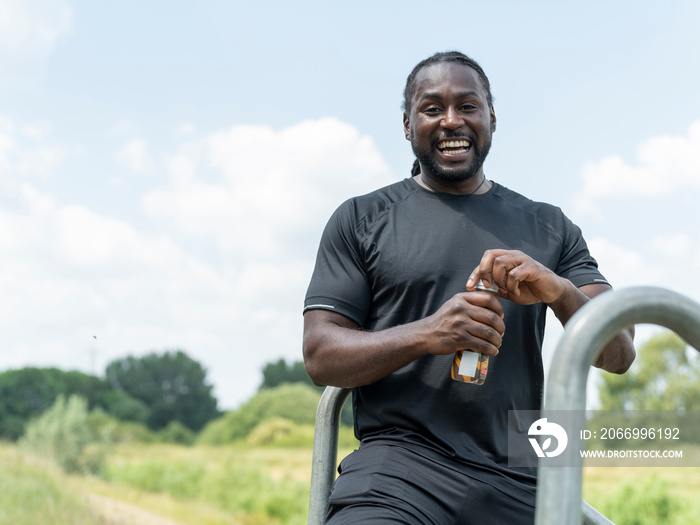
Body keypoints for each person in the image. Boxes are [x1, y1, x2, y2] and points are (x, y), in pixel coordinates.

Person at [302, 51, 635, 524]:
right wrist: (429, 334)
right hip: (398, 471)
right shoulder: (361, 219)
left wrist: (559, 290)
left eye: (468, 106)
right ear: (406, 123)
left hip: (522, 479)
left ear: (492, 118)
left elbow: (619, 353)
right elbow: (319, 355)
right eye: (432, 108)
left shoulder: (550, 227)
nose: (451, 121)